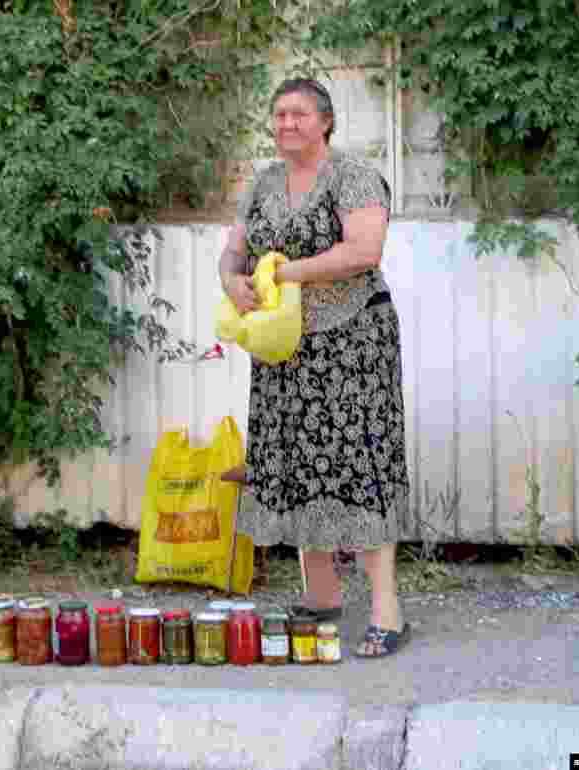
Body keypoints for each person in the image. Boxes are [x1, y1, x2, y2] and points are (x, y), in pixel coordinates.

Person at [219, 77, 411, 658]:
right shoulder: (264, 182)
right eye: (278, 115)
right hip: (288, 346)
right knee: (299, 462)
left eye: (299, 114)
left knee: (360, 464)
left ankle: (387, 611)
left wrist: (282, 274)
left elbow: (364, 251)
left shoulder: (353, 175)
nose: (285, 124)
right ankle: (323, 593)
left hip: (354, 341)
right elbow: (236, 248)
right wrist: (231, 278)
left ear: (325, 121)